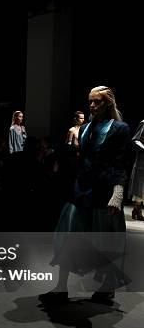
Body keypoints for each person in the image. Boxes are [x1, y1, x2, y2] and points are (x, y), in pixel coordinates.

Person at [39, 86, 130, 305]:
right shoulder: (86, 127)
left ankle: (107, 287)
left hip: (105, 189)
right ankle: (61, 287)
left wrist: (117, 192)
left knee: (106, 239)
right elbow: (81, 159)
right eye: (90, 101)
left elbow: (121, 162)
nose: (91, 105)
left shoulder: (120, 128)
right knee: (67, 235)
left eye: (96, 101)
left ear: (108, 103)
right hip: (81, 188)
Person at [129, 120, 144, 220]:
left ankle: (137, 209)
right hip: (142, 161)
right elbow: (135, 140)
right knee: (140, 185)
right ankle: (137, 209)